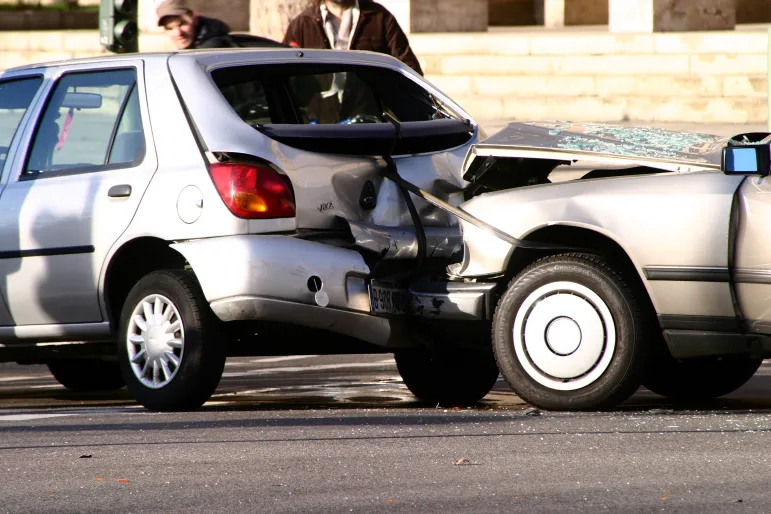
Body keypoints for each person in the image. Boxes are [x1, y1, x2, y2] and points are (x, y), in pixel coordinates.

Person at [283, 0, 423, 75]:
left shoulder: (380, 18)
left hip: (372, 121)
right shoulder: (302, 24)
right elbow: (284, 73)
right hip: (317, 123)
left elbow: (410, 70)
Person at [156, 0, 285, 50]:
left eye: (182, 24)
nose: (178, 33)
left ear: (194, 18)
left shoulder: (210, 49)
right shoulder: (196, 47)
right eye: (170, 28)